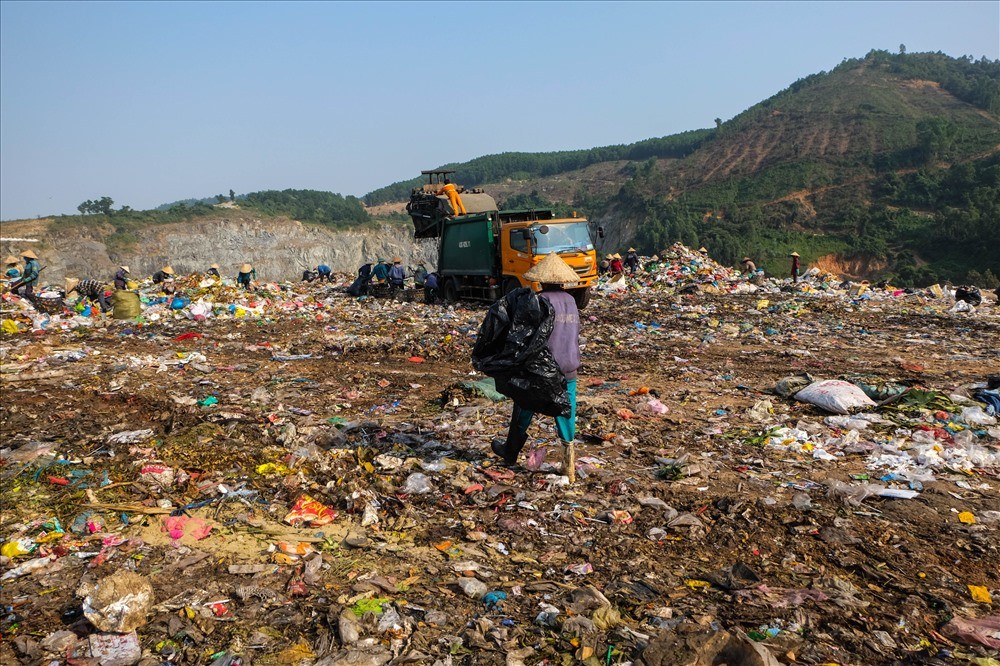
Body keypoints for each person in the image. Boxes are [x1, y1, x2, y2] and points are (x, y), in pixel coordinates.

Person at [491, 253, 581, 468]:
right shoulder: (571, 300)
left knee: (523, 405)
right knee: (566, 410)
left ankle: (510, 453)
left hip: (543, 369)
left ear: (540, 280)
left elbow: (529, 337)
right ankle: (569, 465)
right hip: (570, 365)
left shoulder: (540, 300)